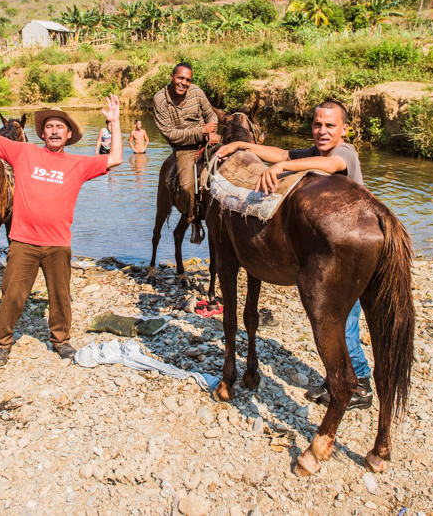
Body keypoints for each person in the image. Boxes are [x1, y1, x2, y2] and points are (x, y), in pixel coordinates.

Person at [216, 99, 373, 411]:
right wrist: (242, 147)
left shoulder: (345, 153)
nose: (323, 131)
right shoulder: (315, 153)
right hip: (331, 250)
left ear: (344, 129)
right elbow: (283, 153)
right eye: (317, 125)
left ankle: (362, 383)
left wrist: (283, 168)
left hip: (352, 250)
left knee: (346, 323)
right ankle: (338, 380)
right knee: (335, 319)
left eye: (330, 125)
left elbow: (326, 167)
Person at [0, 78, 124, 368]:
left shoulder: (78, 164)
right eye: (49, 127)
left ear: (69, 134)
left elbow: (117, 158)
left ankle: (60, 340)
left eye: (60, 127)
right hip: (23, 241)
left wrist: (115, 122)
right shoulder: (24, 153)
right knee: (12, 295)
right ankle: (2, 343)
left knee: (61, 296)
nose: (54, 131)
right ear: (42, 133)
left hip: (58, 243)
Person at [152, 63, 219, 243]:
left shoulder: (196, 92)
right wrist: (201, 131)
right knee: (186, 185)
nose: (184, 83)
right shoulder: (160, 99)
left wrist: (211, 130)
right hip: (184, 148)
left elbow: (211, 115)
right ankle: (193, 220)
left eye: (188, 80)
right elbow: (170, 135)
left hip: (207, 141)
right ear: (172, 77)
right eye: (180, 78)